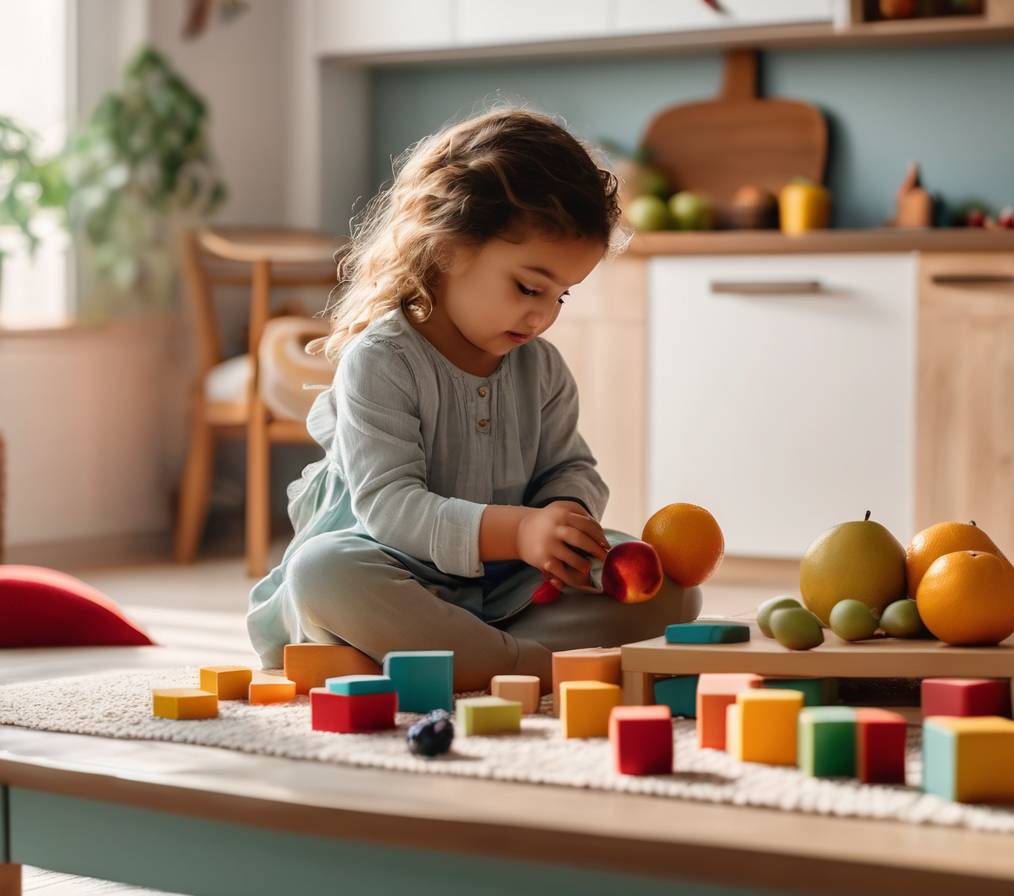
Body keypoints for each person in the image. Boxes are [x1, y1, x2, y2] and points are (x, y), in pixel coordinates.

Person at [246, 105, 702, 692]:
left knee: (673, 590)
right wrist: (520, 532)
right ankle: (524, 666)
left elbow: (569, 467)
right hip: (390, 574)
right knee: (322, 571)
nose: (543, 316)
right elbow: (390, 508)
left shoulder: (541, 368)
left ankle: (462, 654)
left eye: (561, 296)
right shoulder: (382, 360)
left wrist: (566, 519)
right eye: (529, 287)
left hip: (505, 588)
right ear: (446, 248)